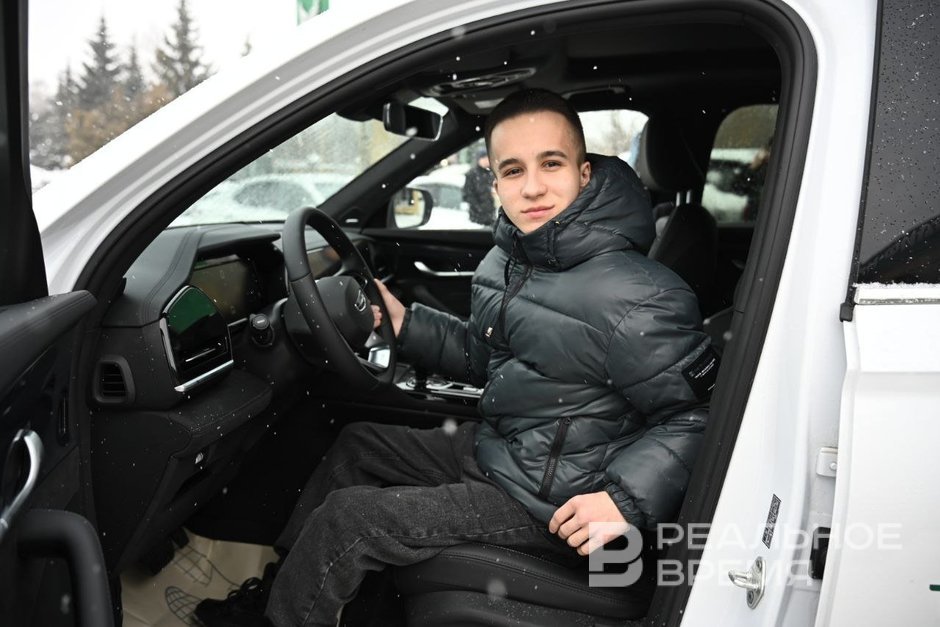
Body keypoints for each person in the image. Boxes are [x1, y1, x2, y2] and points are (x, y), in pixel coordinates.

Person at [195, 88, 717, 627]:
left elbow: (702, 415)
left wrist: (623, 500)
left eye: (551, 164)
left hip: (556, 502)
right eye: (513, 171)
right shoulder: (507, 261)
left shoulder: (639, 296)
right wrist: (404, 323)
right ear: (495, 184)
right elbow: (481, 355)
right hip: (507, 450)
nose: (532, 187)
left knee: (351, 520)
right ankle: (289, 587)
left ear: (583, 173)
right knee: (356, 444)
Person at [462, 147, 497, 226]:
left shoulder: (491, 173)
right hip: (476, 217)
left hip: (491, 215)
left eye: (487, 158)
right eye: (484, 158)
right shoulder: (472, 174)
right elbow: (467, 194)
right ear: (478, 159)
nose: (486, 160)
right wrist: (479, 208)